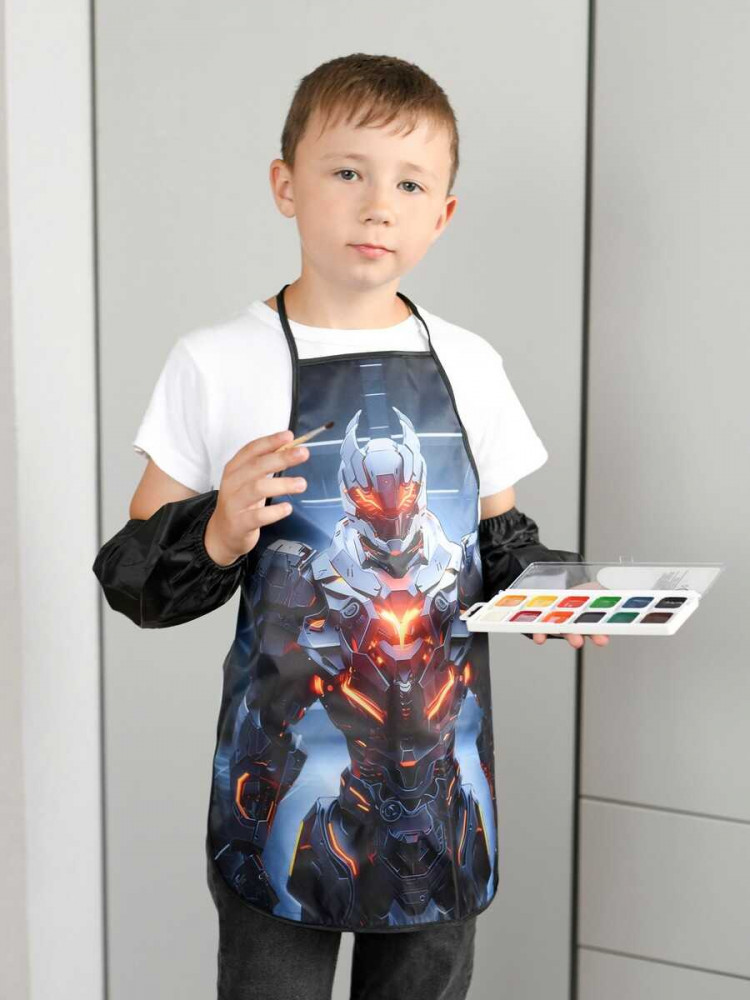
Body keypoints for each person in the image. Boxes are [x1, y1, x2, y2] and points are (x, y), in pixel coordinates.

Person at [93, 52, 608, 1000]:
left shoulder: (471, 363)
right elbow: (135, 573)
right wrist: (218, 530)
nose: (378, 207)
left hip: (447, 789)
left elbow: (502, 545)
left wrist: (563, 595)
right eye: (347, 172)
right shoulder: (218, 362)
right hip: (291, 782)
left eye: (410, 184)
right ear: (286, 185)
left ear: (442, 213)